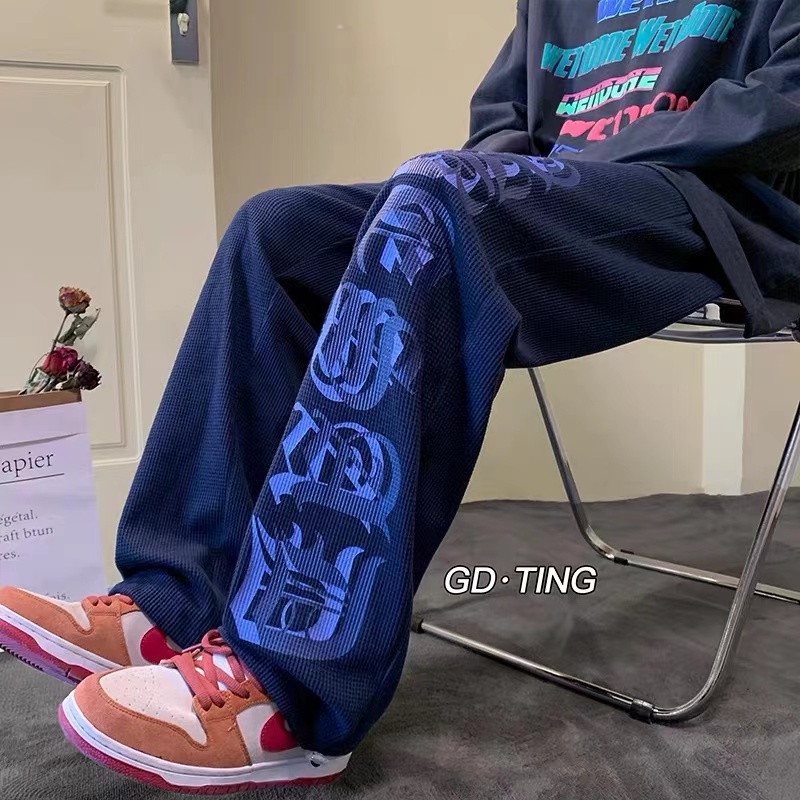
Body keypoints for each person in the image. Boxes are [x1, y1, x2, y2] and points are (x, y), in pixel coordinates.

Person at [1, 0, 799, 793]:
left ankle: (293, 689)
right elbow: (500, 122)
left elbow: (786, 97)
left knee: (439, 193)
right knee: (276, 226)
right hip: (571, 192)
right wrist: (534, 174)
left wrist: (591, 159)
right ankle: (176, 598)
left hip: (722, 207)